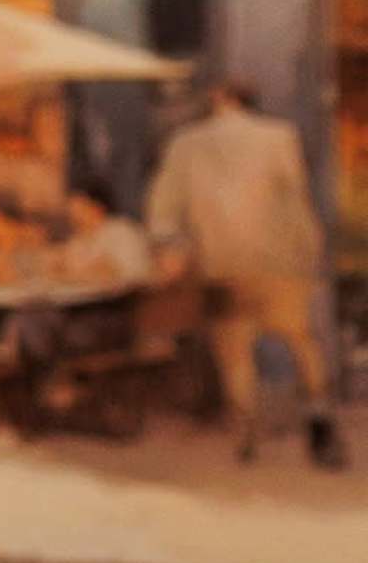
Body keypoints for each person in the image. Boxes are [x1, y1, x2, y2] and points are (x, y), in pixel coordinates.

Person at [147, 82, 345, 463]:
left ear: (219, 99)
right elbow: (294, 199)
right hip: (278, 264)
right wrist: (311, 254)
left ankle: (245, 432)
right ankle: (319, 418)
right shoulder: (279, 137)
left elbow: (164, 206)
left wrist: (169, 248)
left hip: (221, 264)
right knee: (302, 340)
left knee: (235, 350)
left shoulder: (185, 143)